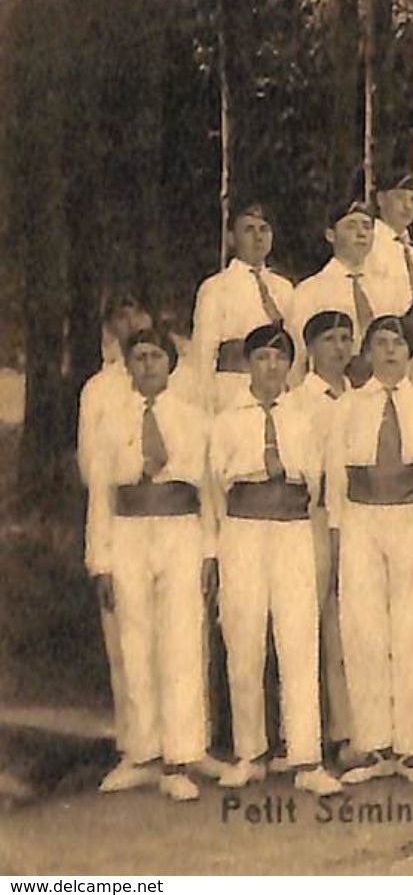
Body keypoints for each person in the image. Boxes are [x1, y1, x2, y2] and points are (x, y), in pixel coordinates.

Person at [209, 325, 344, 796]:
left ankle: (305, 756)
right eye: (262, 358)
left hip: (291, 531)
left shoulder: (305, 420)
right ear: (248, 364)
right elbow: (215, 490)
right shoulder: (226, 421)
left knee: (298, 638)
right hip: (243, 532)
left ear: (290, 366)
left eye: (279, 358)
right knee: (244, 639)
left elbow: (315, 481)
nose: (271, 367)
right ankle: (251, 752)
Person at [83, 327, 213, 801]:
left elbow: (210, 496)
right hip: (129, 532)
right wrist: (101, 562)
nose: (149, 365)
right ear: (128, 365)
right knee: (135, 641)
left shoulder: (194, 420)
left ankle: (180, 756)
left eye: (157, 356)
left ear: (171, 363)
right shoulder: (111, 421)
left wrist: (209, 553)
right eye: (140, 357)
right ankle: (142, 752)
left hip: (180, 529)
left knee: (180, 640)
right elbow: (99, 496)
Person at [325, 316, 413, 785]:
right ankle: (373, 746)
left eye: (397, 343)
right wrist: (338, 532)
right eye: (380, 344)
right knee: (364, 631)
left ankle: (412, 748)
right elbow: (334, 477)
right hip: (361, 518)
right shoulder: (348, 407)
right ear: (367, 353)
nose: (391, 353)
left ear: (409, 351)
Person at [79, 293, 153, 792]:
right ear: (110, 330)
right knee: (128, 637)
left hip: (173, 522)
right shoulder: (99, 390)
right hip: (122, 515)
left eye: (137, 317)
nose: (130, 326)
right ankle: (135, 744)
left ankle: (183, 744)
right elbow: (93, 469)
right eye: (120, 320)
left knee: (178, 637)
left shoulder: (174, 380)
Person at [279, 310, 358, 765]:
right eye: (329, 339)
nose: (339, 348)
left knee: (347, 621)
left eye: (346, 338)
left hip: (356, 515)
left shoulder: (360, 395)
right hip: (312, 516)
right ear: (310, 347)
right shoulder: (297, 401)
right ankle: (300, 735)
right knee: (308, 619)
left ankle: (346, 729)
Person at [288, 200, 411, 387]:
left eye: (367, 227)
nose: (361, 233)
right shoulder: (310, 291)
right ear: (331, 235)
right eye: (351, 226)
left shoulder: (391, 289)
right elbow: (296, 358)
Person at [192, 202, 295, 413]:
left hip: (278, 393)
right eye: (249, 229)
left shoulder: (284, 288)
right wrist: (206, 410)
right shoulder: (217, 287)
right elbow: (203, 356)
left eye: (264, 229)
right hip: (233, 392)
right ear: (231, 238)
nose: (258, 237)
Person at [362, 168, 413, 387]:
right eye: (400, 197)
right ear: (381, 199)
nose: (408, 206)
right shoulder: (371, 245)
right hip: (385, 344)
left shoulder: (411, 249)